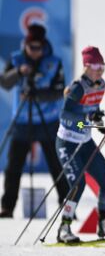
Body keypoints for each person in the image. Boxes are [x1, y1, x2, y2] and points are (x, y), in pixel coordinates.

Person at [55, 46, 105, 243]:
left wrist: (101, 127)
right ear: (86, 66)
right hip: (67, 142)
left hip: (85, 142)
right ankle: (65, 226)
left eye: (102, 66)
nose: (99, 70)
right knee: (78, 185)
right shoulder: (78, 87)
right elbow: (65, 116)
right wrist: (86, 118)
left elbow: (94, 112)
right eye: (95, 66)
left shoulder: (101, 85)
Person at [0, 24, 69, 218]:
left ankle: (66, 204)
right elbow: (4, 82)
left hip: (48, 120)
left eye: (38, 47)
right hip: (22, 121)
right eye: (31, 47)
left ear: (44, 45)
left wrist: (36, 96)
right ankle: (7, 207)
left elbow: (59, 91)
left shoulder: (54, 62)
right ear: (26, 45)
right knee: (13, 166)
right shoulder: (16, 59)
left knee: (56, 164)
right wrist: (18, 72)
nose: (35, 51)